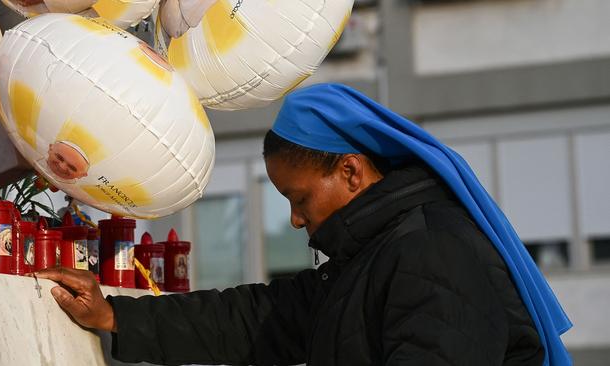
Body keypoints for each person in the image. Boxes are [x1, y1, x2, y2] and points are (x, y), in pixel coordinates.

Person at [35, 83, 572, 366]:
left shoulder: (432, 251)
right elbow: (255, 321)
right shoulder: (369, 257)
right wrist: (115, 317)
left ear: (351, 171)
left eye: (298, 198)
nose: (294, 219)